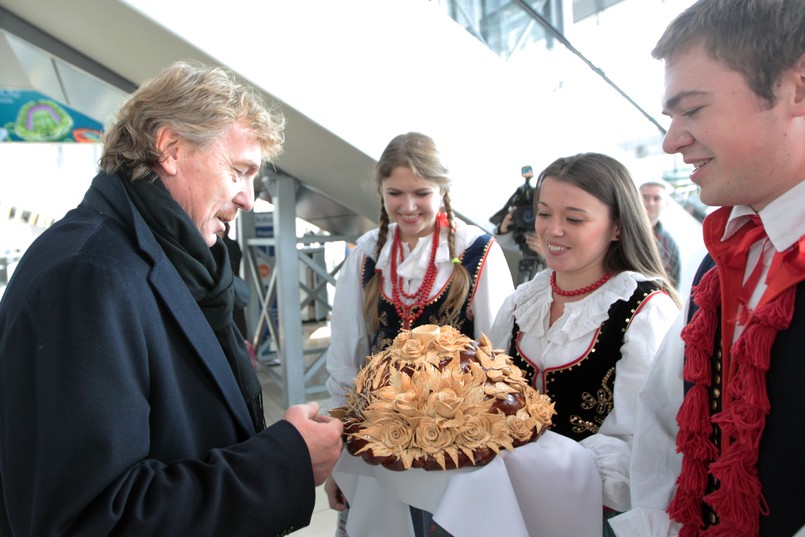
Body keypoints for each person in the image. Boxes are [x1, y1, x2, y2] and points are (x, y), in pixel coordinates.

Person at [0, 61, 343, 537]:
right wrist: (285, 461)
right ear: (171, 149)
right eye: (238, 172)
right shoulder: (85, 277)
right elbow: (91, 519)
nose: (247, 198)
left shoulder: (176, 260)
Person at [608, 1, 805, 536]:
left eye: (692, 110)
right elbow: (664, 428)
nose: (671, 140)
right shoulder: (721, 264)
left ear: (797, 91)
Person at [324, 131, 514, 536]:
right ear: (381, 190)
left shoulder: (477, 251)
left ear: (443, 189)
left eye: (421, 193)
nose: (408, 207)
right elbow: (345, 358)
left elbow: (499, 356)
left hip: (452, 448)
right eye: (395, 193)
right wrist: (341, 455)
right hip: (377, 439)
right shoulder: (367, 255)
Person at [489, 152, 681, 536]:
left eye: (574, 219)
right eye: (544, 214)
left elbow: (645, 444)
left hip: (599, 515)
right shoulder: (521, 302)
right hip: (508, 503)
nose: (552, 230)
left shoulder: (643, 310)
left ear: (616, 227)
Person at [640, 180, 681, 289]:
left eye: (656, 198)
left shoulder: (670, 244)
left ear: (666, 203)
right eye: (645, 197)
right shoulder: (619, 231)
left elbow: (673, 285)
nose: (650, 203)